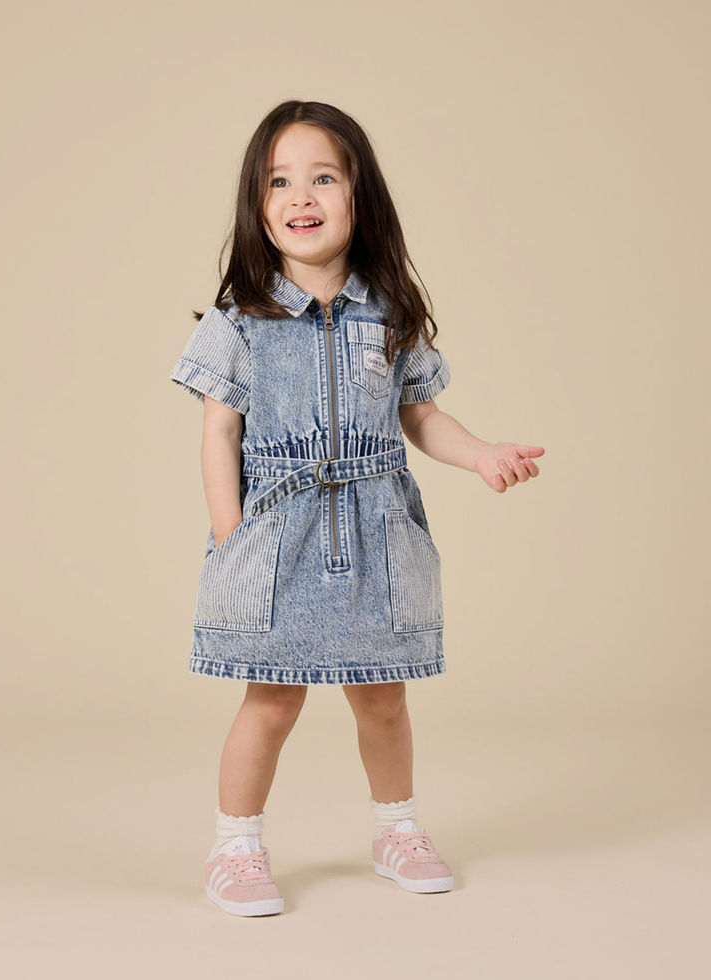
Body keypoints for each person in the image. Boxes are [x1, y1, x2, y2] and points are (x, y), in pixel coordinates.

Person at [169, 100, 545, 917]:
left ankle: (396, 829)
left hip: (374, 533)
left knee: (383, 694)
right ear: (258, 205)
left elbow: (421, 416)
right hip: (278, 536)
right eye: (279, 180)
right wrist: (233, 535)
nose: (300, 195)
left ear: (358, 196)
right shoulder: (241, 322)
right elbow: (216, 432)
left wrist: (480, 453)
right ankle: (235, 847)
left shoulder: (389, 312)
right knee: (270, 699)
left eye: (323, 177)